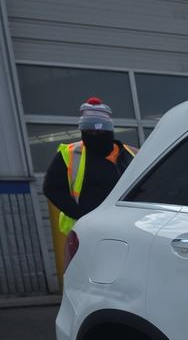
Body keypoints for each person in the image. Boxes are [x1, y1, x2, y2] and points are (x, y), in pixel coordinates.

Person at [42, 97, 138, 271]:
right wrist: (82, 215)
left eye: (99, 132)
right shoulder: (71, 154)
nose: (94, 137)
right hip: (88, 233)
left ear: (109, 131)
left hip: (129, 230)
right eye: (88, 132)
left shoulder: (132, 154)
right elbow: (52, 188)